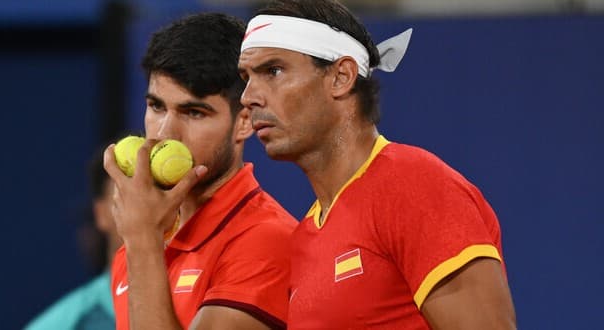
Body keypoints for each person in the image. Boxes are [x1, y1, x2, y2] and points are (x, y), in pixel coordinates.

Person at [238, 0, 517, 328]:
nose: (248, 96)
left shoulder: (414, 185)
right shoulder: (305, 237)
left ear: (341, 77)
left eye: (273, 71)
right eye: (246, 77)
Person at [102, 13, 297, 330]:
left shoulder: (268, 242)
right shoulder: (137, 248)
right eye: (156, 106)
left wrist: (142, 242)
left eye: (193, 112)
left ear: (245, 120)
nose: (165, 134)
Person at [25, 150, 122, 330]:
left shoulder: (191, 305)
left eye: (161, 189)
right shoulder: (61, 325)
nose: (147, 207)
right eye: (125, 197)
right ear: (100, 214)